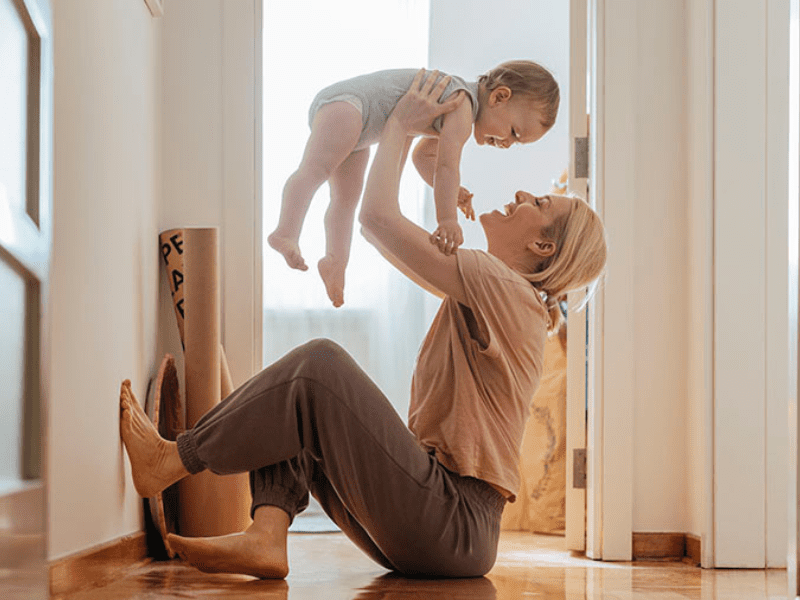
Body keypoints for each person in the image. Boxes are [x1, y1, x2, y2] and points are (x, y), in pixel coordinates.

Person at [120, 70, 606, 580]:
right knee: (298, 403)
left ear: (543, 247)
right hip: (446, 527)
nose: (525, 193)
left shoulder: (502, 288)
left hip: (453, 521)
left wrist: (398, 125)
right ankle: (266, 535)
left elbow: (376, 220)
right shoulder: (502, 296)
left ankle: (173, 460)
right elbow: (393, 211)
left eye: (540, 204)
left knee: (318, 367)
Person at [267, 60, 560, 307]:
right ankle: (285, 232)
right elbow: (447, 166)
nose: (507, 144)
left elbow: (426, 159)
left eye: (516, 143)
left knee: (345, 199)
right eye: (513, 133)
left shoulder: (456, 108)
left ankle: (335, 261)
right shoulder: (462, 104)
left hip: (362, 126)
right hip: (348, 106)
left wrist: (452, 192)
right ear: (499, 97)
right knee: (314, 171)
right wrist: (447, 219)